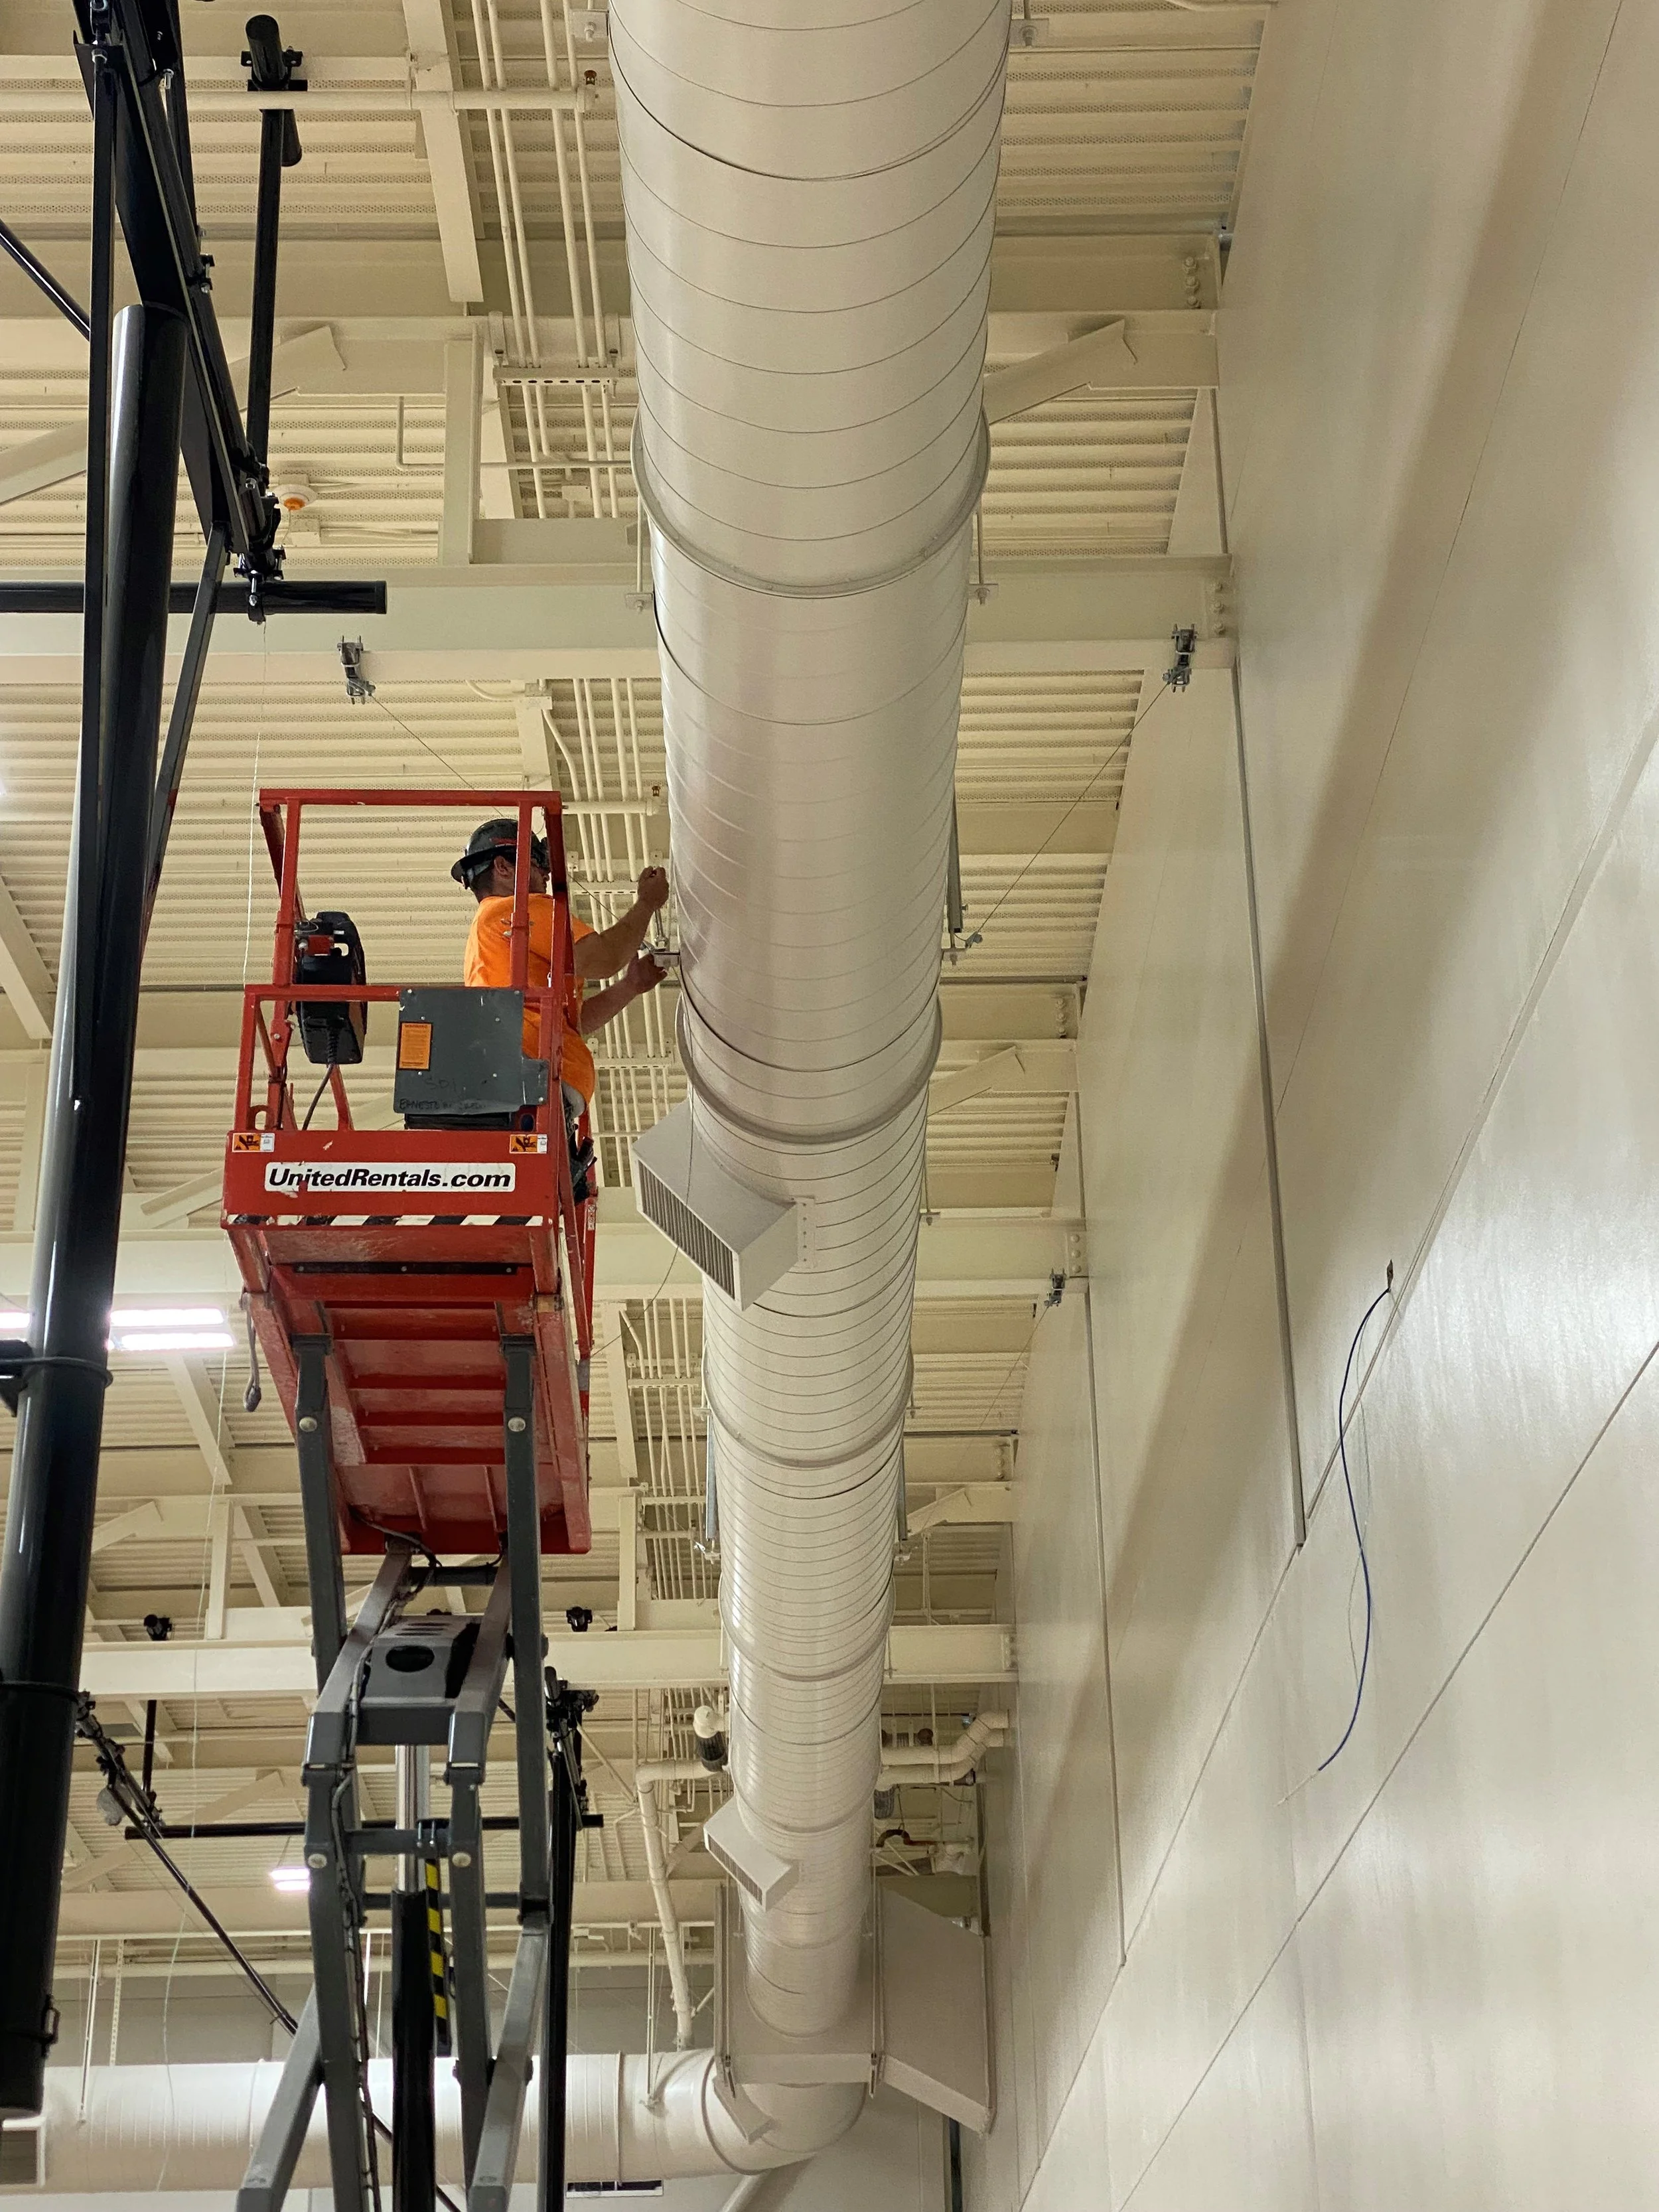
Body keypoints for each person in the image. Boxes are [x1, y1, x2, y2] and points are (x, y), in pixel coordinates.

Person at [451, 818, 669, 1199]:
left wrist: (630, 987)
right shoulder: (517, 911)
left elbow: (573, 1024)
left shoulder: (492, 941)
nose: (547, 874)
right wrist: (647, 904)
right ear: (504, 867)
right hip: (534, 1077)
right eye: (538, 862)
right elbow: (601, 958)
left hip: (529, 1080)